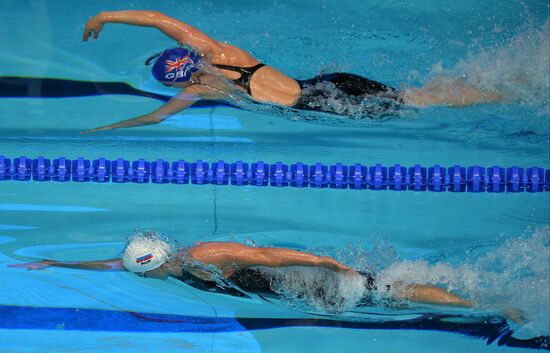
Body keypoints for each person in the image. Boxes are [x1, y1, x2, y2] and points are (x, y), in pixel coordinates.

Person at [79, 10, 502, 134]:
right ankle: (493, 87)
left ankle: (503, 95)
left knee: (420, 106)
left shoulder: (202, 90)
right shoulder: (223, 52)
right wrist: (105, 15)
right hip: (331, 83)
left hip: (327, 105)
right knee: (415, 94)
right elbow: (157, 18)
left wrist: (109, 127)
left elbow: (154, 117)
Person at [10, 231, 472, 310]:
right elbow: (112, 264)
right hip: (291, 292)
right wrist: (57, 262)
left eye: (138, 274)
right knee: (381, 292)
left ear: (153, 265)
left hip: (307, 279)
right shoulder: (167, 266)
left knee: (380, 291)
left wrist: (327, 263)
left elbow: (270, 256)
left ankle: (472, 301)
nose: (137, 278)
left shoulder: (205, 255)